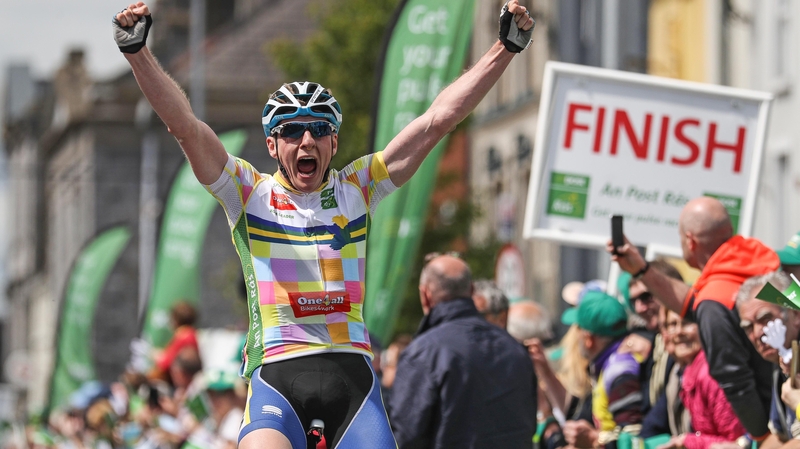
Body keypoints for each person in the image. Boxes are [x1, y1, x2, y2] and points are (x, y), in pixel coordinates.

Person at [112, 1, 535, 448]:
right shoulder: (248, 193)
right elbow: (187, 129)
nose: (306, 140)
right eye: (292, 131)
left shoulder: (358, 186)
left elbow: (436, 122)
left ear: (334, 140)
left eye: (318, 129)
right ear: (273, 145)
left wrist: (504, 48)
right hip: (278, 372)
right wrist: (137, 52)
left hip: (350, 376)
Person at [609, 196, 779, 443]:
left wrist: (762, 437)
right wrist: (641, 270)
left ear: (690, 240)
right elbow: (694, 303)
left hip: (776, 426)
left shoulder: (714, 302)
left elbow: (734, 380)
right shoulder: (763, 265)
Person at [389, 254, 537, 448]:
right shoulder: (513, 348)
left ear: (425, 294)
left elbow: (405, 435)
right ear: (472, 290)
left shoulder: (423, 352)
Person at [561, 291, 643, 449]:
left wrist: (594, 440)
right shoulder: (610, 364)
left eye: (577, 329)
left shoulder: (620, 371)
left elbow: (633, 437)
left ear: (588, 339)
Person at [657, 308, 745, 449]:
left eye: (687, 323)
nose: (679, 331)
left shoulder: (709, 374)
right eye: (673, 324)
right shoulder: (686, 372)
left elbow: (734, 442)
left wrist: (686, 441)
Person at [735, 271, 800, 445]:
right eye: (748, 327)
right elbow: (780, 437)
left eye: (765, 318)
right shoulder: (779, 365)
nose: (758, 333)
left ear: (795, 315)